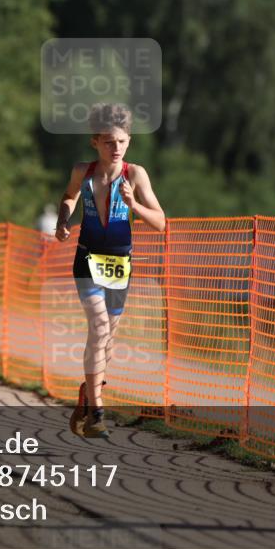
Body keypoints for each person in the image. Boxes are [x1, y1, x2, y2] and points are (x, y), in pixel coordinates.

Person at [55, 103, 165, 438]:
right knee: (99, 326)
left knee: (108, 342)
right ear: (95, 142)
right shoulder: (83, 172)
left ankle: (88, 393)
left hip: (119, 264)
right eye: (108, 142)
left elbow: (160, 222)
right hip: (87, 259)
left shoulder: (135, 174)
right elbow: (69, 196)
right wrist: (63, 220)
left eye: (121, 141)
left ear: (129, 141)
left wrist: (134, 205)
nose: (115, 148)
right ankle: (97, 414)